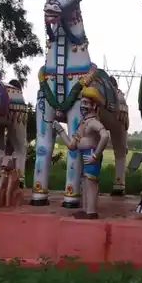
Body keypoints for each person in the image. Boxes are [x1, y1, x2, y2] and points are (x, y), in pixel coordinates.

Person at [53, 87, 110, 219]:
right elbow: (72, 145)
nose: (83, 106)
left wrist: (95, 155)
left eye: (86, 103)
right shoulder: (83, 123)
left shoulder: (94, 122)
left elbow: (105, 136)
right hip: (86, 155)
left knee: (90, 183)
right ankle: (87, 210)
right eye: (82, 103)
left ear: (94, 105)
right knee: (86, 183)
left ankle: (91, 211)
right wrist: (60, 130)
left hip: (91, 155)